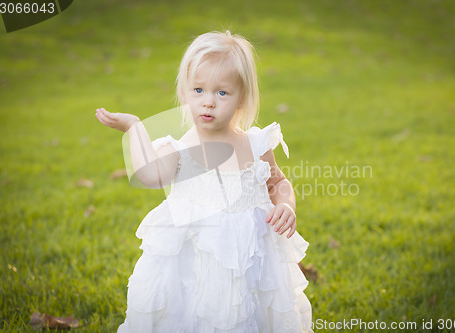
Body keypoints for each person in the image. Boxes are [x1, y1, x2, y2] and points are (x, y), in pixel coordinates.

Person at [95, 30, 313, 333]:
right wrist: (134, 128)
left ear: (242, 99)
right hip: (195, 268)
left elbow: (277, 183)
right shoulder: (177, 149)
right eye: (198, 90)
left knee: (253, 314)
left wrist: (287, 205)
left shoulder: (256, 143)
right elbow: (149, 175)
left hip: (252, 262)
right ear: (184, 92)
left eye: (222, 93)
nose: (208, 102)